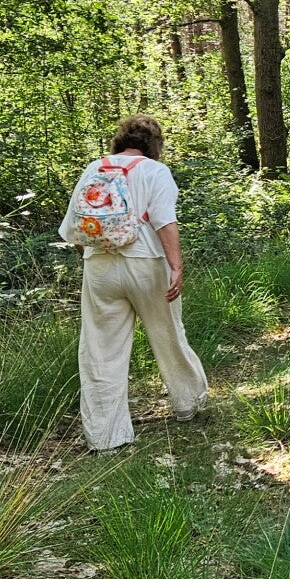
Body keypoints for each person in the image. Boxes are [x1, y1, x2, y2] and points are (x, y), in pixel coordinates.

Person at [59, 114, 209, 452]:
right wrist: (176, 266)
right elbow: (164, 221)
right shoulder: (155, 171)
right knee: (168, 335)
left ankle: (105, 436)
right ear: (154, 145)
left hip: (100, 266)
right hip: (147, 264)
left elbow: (74, 228)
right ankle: (188, 404)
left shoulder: (94, 168)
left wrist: (92, 254)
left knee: (100, 350)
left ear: (120, 141)